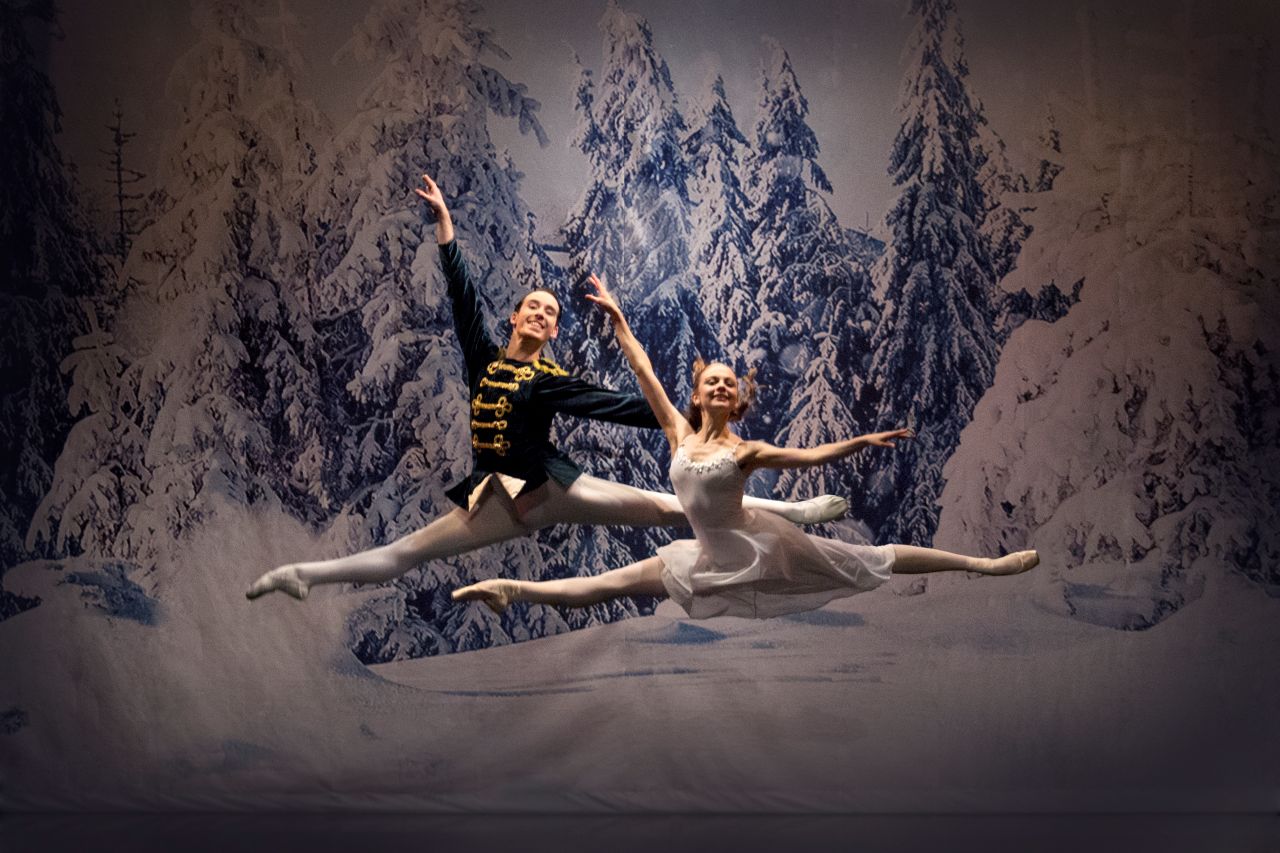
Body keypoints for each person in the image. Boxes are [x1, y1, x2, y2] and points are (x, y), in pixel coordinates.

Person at [246, 175, 846, 601]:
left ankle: (796, 510)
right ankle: (304, 573)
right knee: (407, 552)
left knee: (668, 507)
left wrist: (678, 414)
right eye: (530, 306)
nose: (538, 313)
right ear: (515, 319)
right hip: (496, 499)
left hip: (554, 487)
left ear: (554, 329)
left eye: (549, 311)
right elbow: (462, 300)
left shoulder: (547, 378)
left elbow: (615, 406)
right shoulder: (484, 361)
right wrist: (447, 228)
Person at [452, 275, 1039, 618]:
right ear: (700, 392)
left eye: (729, 384)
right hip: (706, 555)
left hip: (757, 548)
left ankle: (983, 565)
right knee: (610, 584)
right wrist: (619, 318)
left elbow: (812, 458)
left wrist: (862, 439)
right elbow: (645, 371)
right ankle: (513, 590)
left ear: (734, 402)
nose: (720, 384)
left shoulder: (747, 451)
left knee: (875, 559)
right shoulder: (677, 431)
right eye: (712, 378)